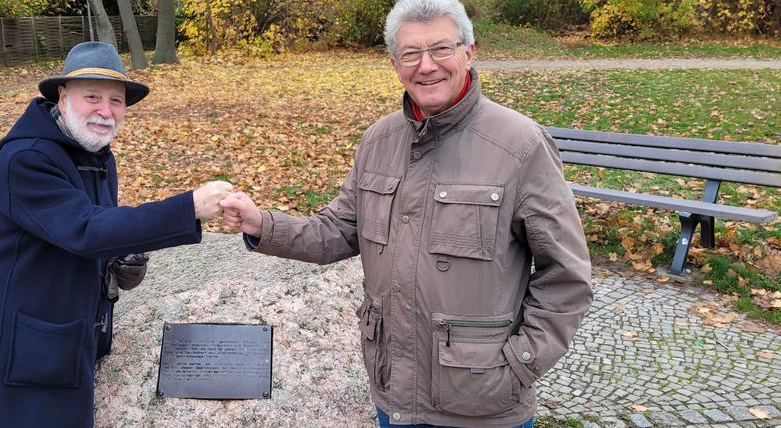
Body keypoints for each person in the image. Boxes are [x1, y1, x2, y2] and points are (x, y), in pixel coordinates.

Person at [220, 0, 593, 426]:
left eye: (441, 49)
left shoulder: (521, 145)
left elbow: (566, 276)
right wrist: (260, 224)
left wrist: (518, 364)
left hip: (483, 405)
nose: (427, 66)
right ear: (396, 64)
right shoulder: (379, 141)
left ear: (469, 53)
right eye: (411, 53)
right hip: (394, 394)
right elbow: (339, 230)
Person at [0, 41, 232, 427]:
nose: (105, 111)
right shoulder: (26, 160)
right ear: (62, 97)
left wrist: (117, 259)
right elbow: (86, 229)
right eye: (91, 96)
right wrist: (188, 207)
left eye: (116, 101)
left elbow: (87, 231)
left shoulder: (94, 155)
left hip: (75, 332)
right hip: (29, 345)